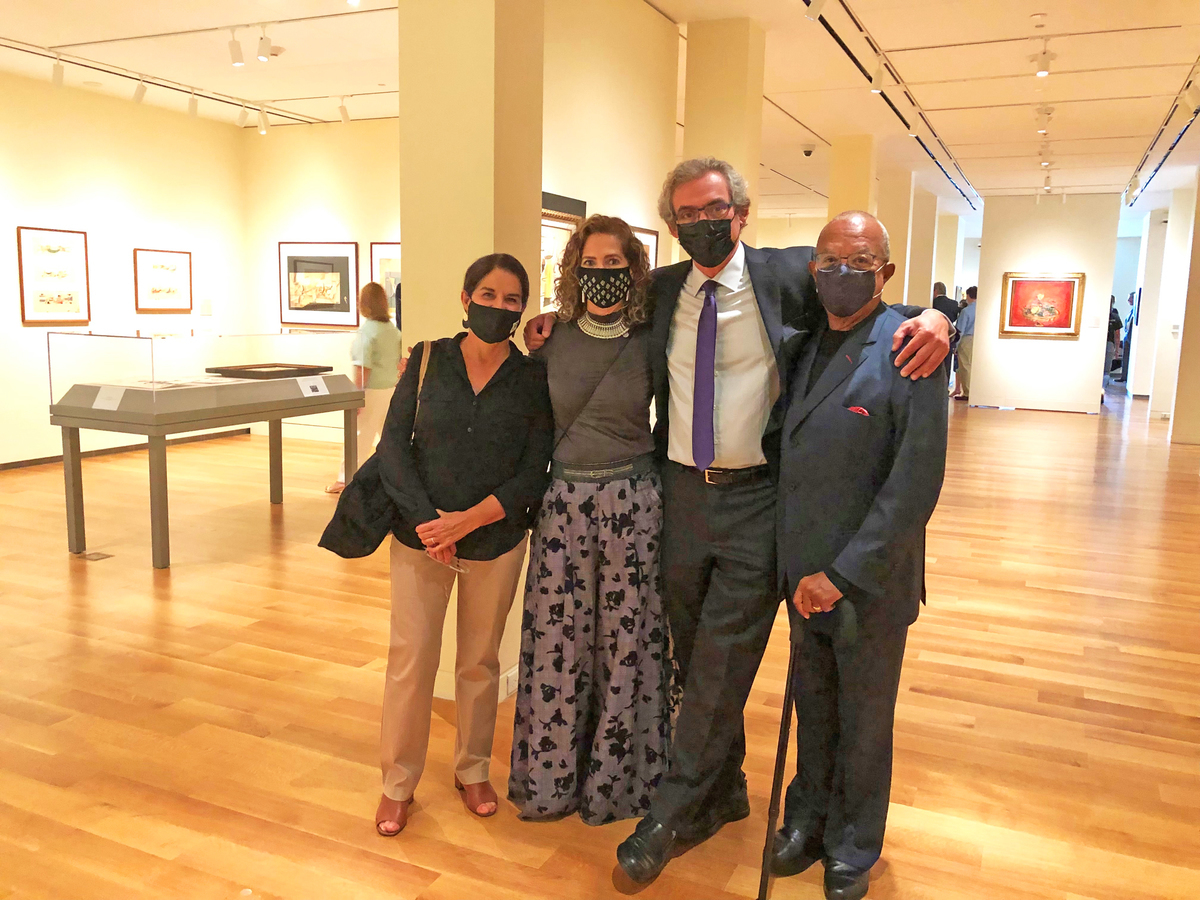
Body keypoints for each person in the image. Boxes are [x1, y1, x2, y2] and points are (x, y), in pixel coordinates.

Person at [526, 157, 951, 885]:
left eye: (715, 208)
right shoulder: (659, 291)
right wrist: (544, 325)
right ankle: (723, 792)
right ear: (671, 224)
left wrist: (944, 316)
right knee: (691, 656)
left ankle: (670, 812)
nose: (702, 224)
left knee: (722, 662)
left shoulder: (790, 274)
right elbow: (592, 316)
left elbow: (868, 299)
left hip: (759, 502)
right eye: (686, 215)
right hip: (679, 497)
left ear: (741, 213)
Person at [320, 253, 554, 837]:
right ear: (465, 297)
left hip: (496, 538)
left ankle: (473, 769)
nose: (498, 307)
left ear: (522, 308)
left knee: (479, 661)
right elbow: (394, 445)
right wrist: (430, 523)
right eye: (488, 295)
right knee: (411, 658)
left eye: (510, 300)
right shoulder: (428, 359)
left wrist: (466, 522)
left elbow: (534, 469)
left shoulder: (531, 379)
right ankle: (397, 781)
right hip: (419, 538)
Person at [769, 211, 948, 900]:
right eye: (829, 262)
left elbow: (915, 480)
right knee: (813, 705)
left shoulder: (909, 348)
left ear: (887, 272)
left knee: (865, 719)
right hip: (801, 572)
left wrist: (842, 575)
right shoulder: (803, 342)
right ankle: (807, 820)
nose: (841, 275)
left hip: (866, 578)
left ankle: (854, 842)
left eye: (860, 262)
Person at [508, 215, 676, 826]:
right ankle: (554, 780)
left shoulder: (651, 334)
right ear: (575, 267)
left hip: (634, 505)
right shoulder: (548, 338)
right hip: (564, 509)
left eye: (615, 264)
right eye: (592, 263)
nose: (602, 273)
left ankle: (619, 782)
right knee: (562, 645)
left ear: (634, 269)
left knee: (627, 645)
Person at [325, 282, 403, 494]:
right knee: (389, 438)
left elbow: (363, 368)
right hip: (391, 390)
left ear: (364, 304)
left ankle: (345, 479)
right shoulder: (393, 331)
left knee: (359, 435)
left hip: (370, 392)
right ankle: (396, 479)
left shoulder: (367, 332)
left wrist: (356, 396)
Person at [953, 286, 976, 400]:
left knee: (965, 365)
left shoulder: (966, 311)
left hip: (967, 339)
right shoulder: (982, 309)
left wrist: (955, 345)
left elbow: (960, 330)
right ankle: (975, 391)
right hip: (979, 339)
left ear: (968, 296)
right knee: (974, 366)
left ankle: (967, 392)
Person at [1104, 296, 1122, 394]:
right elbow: (1117, 335)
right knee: (1107, 370)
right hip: (1110, 344)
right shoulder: (1115, 316)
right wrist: (1117, 349)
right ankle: (1103, 389)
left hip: (1099, 344)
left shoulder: (1101, 314)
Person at [1118, 291, 1135, 382]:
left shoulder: (1135, 311)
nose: (1128, 300)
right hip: (1127, 337)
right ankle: (1124, 376)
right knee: (1125, 358)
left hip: (1131, 338)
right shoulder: (1131, 311)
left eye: (1130, 298)